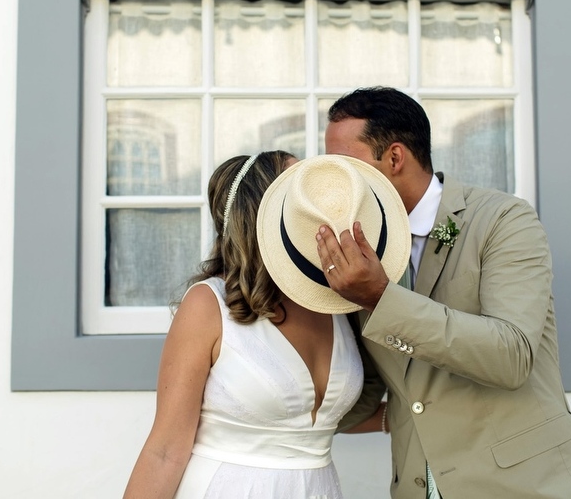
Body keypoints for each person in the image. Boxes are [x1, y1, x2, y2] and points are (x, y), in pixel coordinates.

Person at [316, 87, 571, 498]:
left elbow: (511, 356)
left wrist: (381, 299)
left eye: (344, 165)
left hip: (526, 487)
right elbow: (367, 392)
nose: (337, 181)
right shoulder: (363, 252)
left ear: (393, 158)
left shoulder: (502, 220)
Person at [122, 150, 385, 499]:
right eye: (299, 194)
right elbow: (165, 450)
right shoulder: (208, 305)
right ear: (264, 211)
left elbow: (314, 422)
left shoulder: (332, 300)